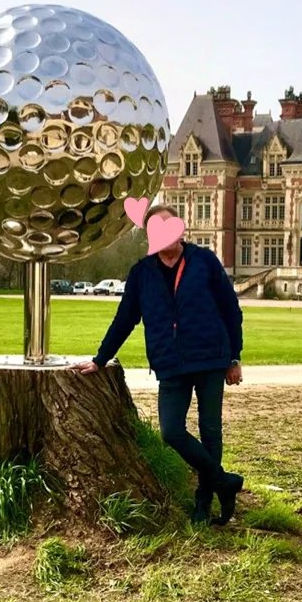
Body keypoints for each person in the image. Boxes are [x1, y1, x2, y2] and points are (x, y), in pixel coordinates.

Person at [72, 203, 244, 525]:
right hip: (170, 365)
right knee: (171, 431)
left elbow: (231, 311)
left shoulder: (204, 261)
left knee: (210, 433)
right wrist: (100, 359)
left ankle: (203, 505)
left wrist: (234, 358)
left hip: (210, 359)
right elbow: (125, 320)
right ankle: (225, 482)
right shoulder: (141, 273)